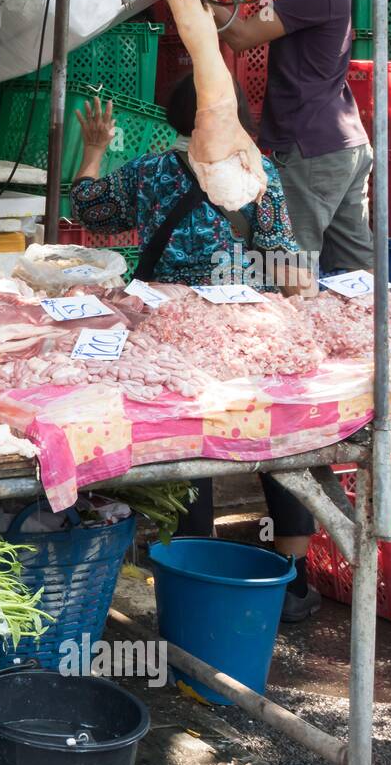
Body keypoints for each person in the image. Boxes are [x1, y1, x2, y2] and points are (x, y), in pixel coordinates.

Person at [70, 74, 323, 621]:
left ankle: (196, 568)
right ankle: (295, 581)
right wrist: (296, 303)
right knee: (276, 438)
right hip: (243, 327)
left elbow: (88, 207)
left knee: (194, 439)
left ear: (179, 118)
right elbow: (282, 258)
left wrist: (93, 148)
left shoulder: (153, 170)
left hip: (172, 325)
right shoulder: (259, 172)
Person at [205, 0, 374, 277]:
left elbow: (241, 36)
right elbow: (266, 19)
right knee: (357, 272)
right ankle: (372, 323)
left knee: (292, 270)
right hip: (340, 145)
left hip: (313, 149)